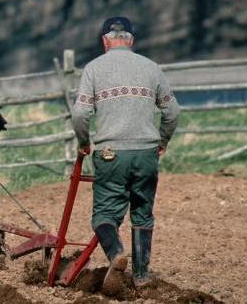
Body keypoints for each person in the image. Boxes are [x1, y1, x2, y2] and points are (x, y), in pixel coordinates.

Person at [72, 17, 179, 293]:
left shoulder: (93, 68)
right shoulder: (151, 68)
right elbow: (172, 112)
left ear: (105, 40)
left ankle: (116, 252)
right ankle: (142, 276)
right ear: (131, 40)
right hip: (146, 153)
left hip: (110, 153)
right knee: (142, 214)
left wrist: (84, 142)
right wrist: (162, 140)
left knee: (103, 216)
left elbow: (81, 113)